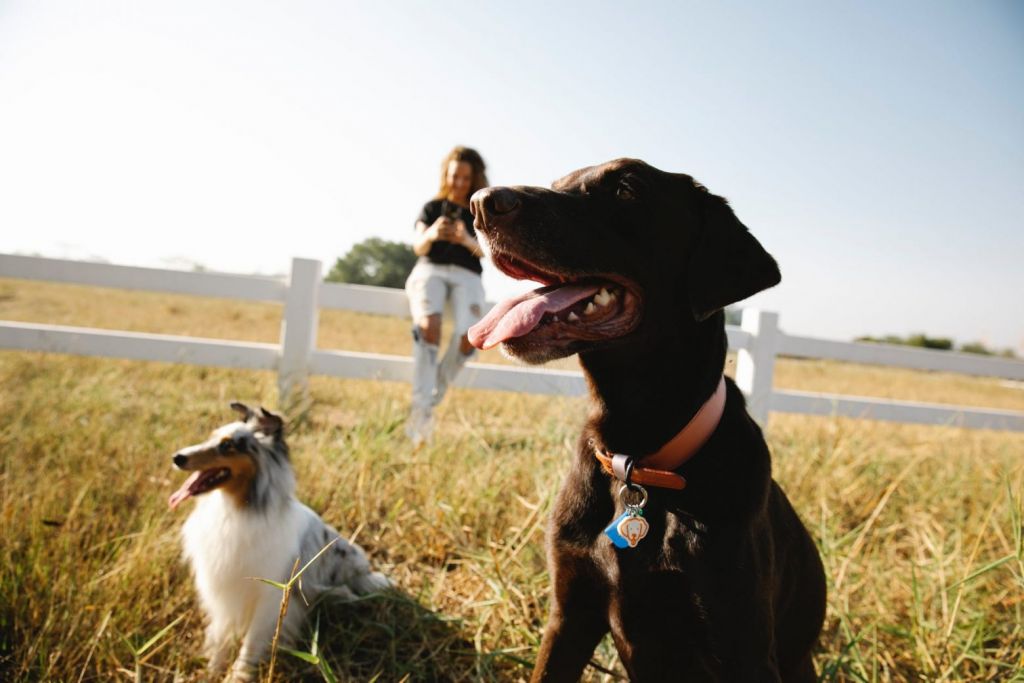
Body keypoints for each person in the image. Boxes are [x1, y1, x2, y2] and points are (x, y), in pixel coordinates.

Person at [404, 146, 489, 445]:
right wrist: (432, 233)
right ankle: (421, 410)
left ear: (474, 177)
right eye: (455, 175)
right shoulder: (431, 208)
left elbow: (490, 253)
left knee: (470, 337)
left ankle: (428, 400)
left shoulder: (481, 210)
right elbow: (418, 246)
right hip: (431, 268)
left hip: (468, 273)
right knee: (429, 327)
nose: (459, 182)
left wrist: (465, 238)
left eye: (466, 177)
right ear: (447, 175)